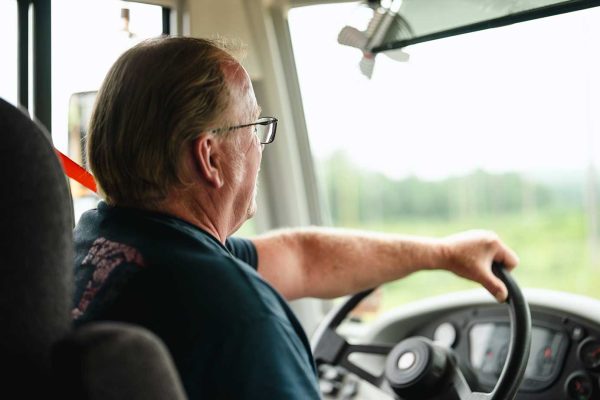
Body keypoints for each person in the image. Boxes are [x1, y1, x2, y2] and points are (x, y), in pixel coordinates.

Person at [72, 36, 519, 399]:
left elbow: (302, 258)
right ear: (209, 157)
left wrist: (443, 253)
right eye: (254, 129)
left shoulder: (97, 243)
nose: (259, 148)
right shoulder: (238, 319)